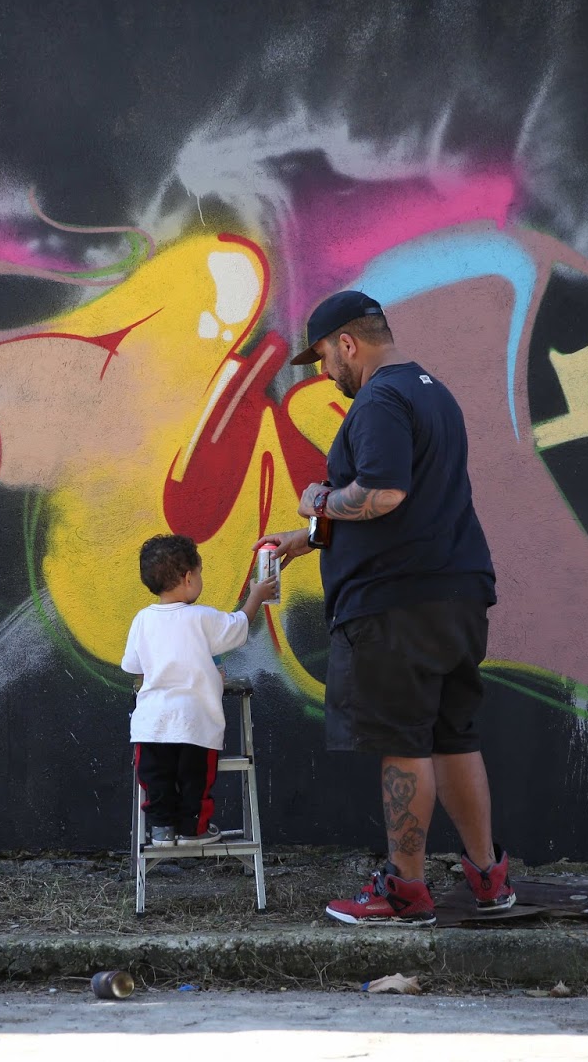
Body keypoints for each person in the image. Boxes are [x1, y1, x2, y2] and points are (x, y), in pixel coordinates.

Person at [255, 289, 514, 927]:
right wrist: (309, 539)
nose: (323, 373)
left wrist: (317, 500)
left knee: (404, 745)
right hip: (456, 593)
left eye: (323, 357)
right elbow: (411, 502)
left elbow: (385, 494)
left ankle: (405, 892)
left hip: (396, 604)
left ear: (347, 343)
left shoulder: (378, 401)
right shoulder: (433, 392)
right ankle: (489, 881)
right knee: (454, 738)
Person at [122, 534, 278, 847]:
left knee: (156, 779)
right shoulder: (202, 617)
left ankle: (161, 830)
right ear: (189, 578)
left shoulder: (142, 620)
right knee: (195, 780)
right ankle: (194, 830)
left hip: (152, 724)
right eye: (201, 573)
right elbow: (238, 627)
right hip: (195, 721)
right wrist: (256, 597)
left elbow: (135, 668)